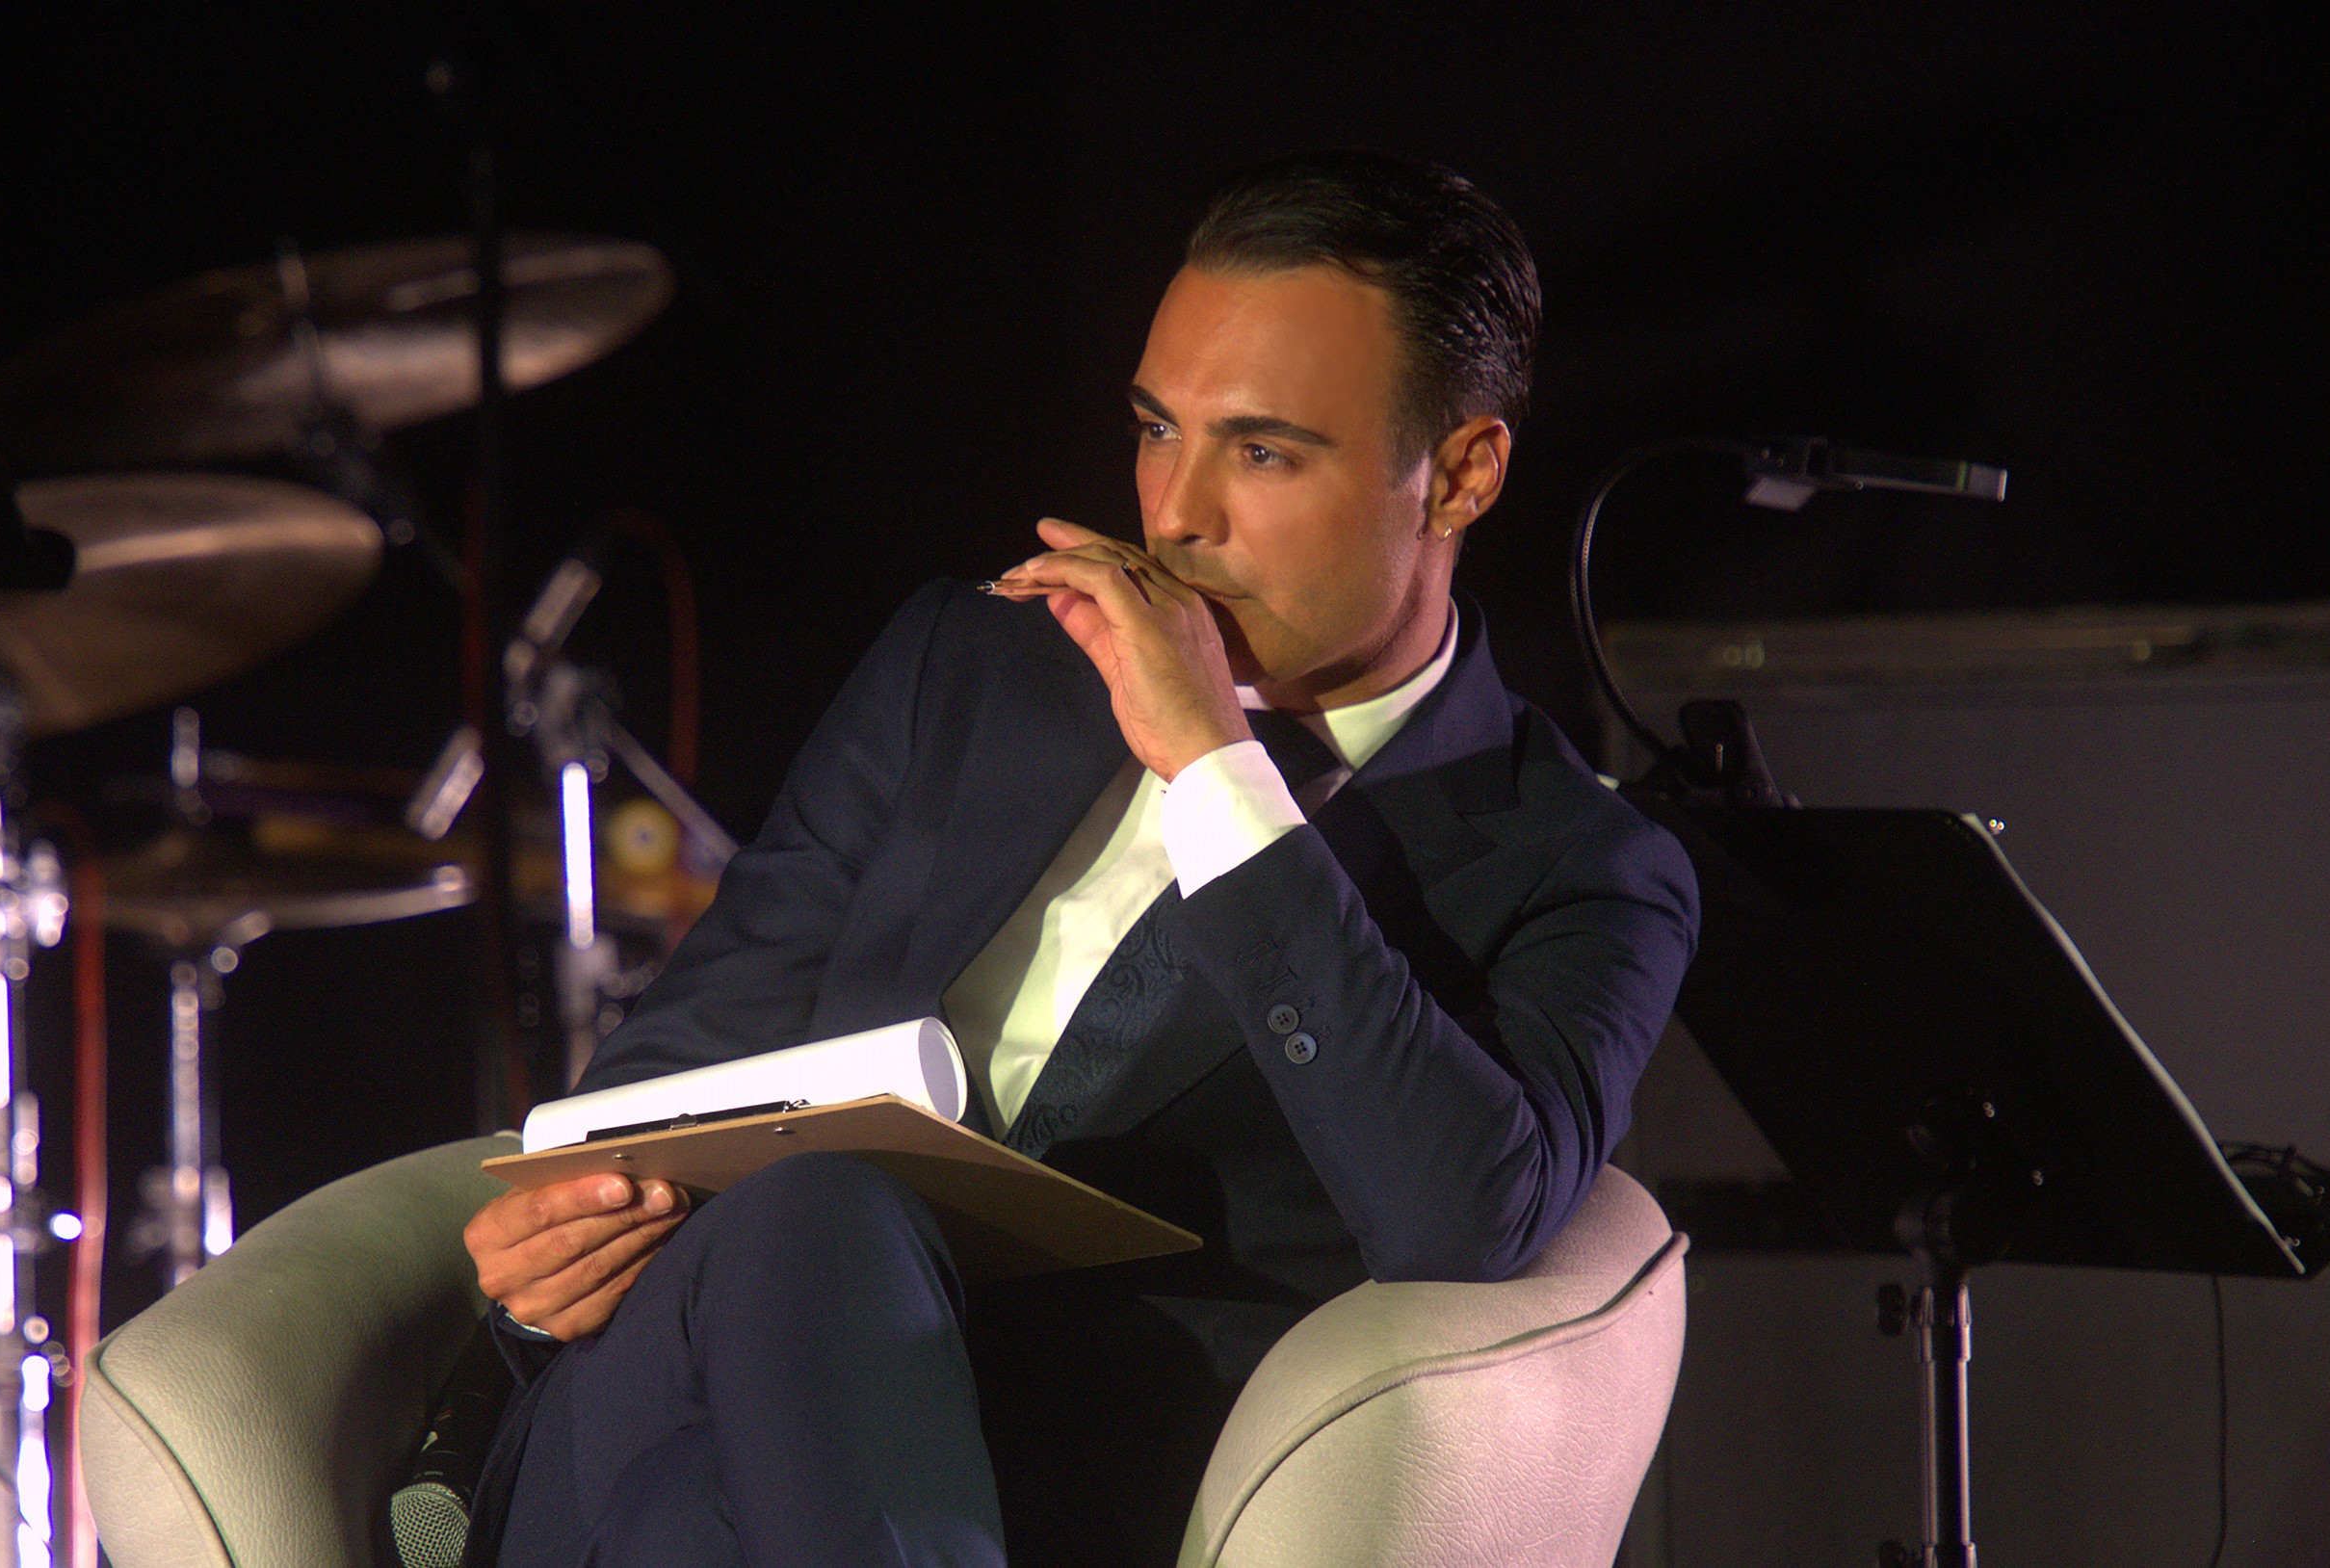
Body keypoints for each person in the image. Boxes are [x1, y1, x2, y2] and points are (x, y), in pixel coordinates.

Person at [455, 149, 1698, 1568]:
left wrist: (1217, 773)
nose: (1176, 513)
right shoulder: (973, 664)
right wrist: (561, 1242)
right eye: (1158, 429)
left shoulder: (1582, 864)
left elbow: (1457, 1221)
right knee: (811, 1216)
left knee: (693, 1522)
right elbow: (677, 1064)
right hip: (693, 1373)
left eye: (1264, 452)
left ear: (1462, 475)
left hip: (1038, 1490)